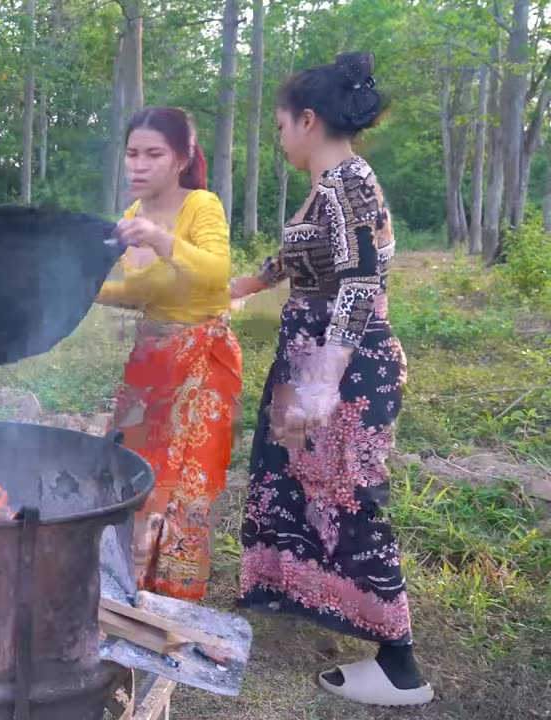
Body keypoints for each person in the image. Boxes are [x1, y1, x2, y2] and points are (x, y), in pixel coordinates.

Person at [232, 52, 434, 706]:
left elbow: (361, 281)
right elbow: (308, 252)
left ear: (308, 120)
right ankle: (306, 596)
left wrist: (325, 377)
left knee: (349, 500)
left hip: (343, 370)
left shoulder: (349, 183)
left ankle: (401, 665)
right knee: (297, 487)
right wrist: (249, 283)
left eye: (282, 123)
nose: (279, 135)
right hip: (310, 359)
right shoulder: (330, 186)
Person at [96, 106, 242, 602]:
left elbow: (215, 273)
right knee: (131, 467)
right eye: (132, 154)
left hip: (200, 361)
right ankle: (126, 580)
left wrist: (162, 240)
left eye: (153, 154)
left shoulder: (201, 206)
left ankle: (170, 593)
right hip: (150, 358)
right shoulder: (133, 216)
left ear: (181, 158)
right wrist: (82, 288)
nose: (139, 165)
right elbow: (136, 290)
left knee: (181, 484)